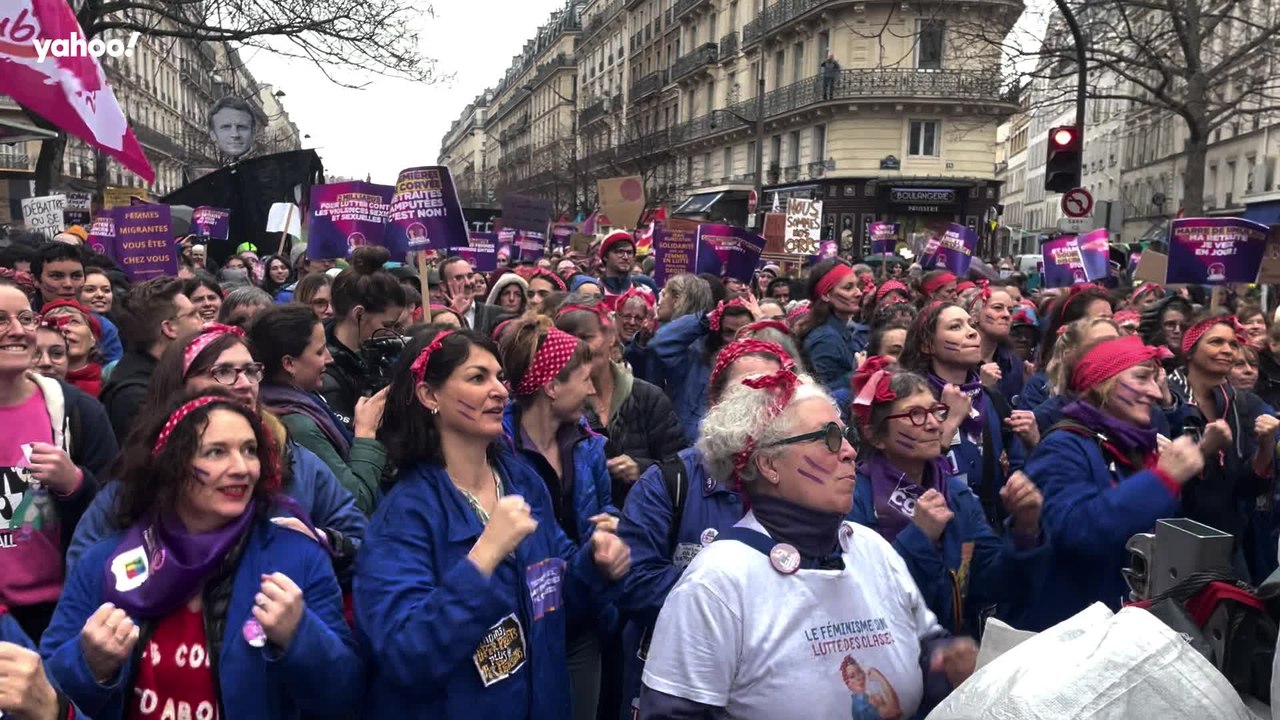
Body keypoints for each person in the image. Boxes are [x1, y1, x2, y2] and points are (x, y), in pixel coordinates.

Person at [638, 370, 975, 718]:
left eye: (845, 437)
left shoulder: (872, 549)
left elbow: (923, 649)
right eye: (829, 438)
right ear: (769, 464)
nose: (848, 452)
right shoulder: (717, 583)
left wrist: (945, 661)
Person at [354, 328, 631, 719]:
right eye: (477, 377)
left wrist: (594, 563)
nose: (500, 390)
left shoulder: (523, 483)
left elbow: (555, 599)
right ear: (430, 395)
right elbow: (406, 656)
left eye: (499, 377)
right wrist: (484, 556)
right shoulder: (404, 516)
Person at [40, 389, 364, 719]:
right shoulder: (104, 564)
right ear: (171, 463)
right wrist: (87, 664)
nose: (241, 468)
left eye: (250, 451)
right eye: (216, 452)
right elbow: (44, 693)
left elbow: (345, 697)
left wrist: (301, 637)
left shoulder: (296, 559)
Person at [66, 325, 366, 584]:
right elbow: (85, 569)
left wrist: (321, 542)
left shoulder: (294, 460)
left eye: (251, 371)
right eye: (223, 372)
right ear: (180, 386)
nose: (244, 384)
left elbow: (363, 543)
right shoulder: (145, 468)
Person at [615, 338, 790, 719]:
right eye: (744, 391)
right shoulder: (669, 482)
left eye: (772, 393)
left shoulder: (804, 486)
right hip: (677, 687)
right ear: (715, 401)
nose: (757, 406)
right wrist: (738, 609)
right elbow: (635, 581)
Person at [848, 363, 1048, 634]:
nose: (933, 424)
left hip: (956, 660)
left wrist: (1025, 529)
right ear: (875, 436)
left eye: (935, 411)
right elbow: (864, 600)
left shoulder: (956, 494)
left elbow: (994, 581)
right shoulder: (855, 500)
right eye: (915, 415)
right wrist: (919, 537)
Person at [1022, 336, 1205, 629]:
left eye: (1154, 379)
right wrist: (1161, 480)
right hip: (1071, 632)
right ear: (1101, 383)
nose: (1156, 393)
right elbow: (1078, 532)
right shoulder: (1062, 447)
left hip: (1123, 627)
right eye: (1141, 378)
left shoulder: (1135, 446)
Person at [498, 317, 620, 720]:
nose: (591, 389)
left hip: (581, 616)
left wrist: (611, 528)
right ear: (552, 387)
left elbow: (606, 505)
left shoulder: (589, 444)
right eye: (584, 380)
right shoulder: (497, 449)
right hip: (525, 618)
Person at [0, 279, 117, 642]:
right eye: (0, 320)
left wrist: (75, 485)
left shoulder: (78, 412)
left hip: (60, 613)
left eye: (25, 318)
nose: (17, 331)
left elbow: (119, 513)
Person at [900, 302, 1034, 527]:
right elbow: (906, 476)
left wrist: (1033, 444)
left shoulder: (992, 399)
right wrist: (950, 422)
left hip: (989, 534)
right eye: (955, 327)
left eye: (971, 324)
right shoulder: (911, 404)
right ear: (926, 345)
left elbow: (1017, 467)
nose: (972, 332)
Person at [251, 304, 389, 516]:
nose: (329, 358)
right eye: (319, 351)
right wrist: (366, 435)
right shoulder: (296, 425)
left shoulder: (306, 399)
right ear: (289, 363)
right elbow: (355, 502)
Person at [1168, 315, 1278, 581]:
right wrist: (1205, 449)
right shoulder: (1168, 397)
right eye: (1216, 342)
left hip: (1228, 541)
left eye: (1232, 344)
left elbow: (1245, 486)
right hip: (1176, 540)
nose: (1227, 350)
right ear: (1191, 350)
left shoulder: (1239, 403)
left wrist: (1265, 446)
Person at [101, 277, 203, 444]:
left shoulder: (167, 374)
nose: (202, 322)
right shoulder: (135, 397)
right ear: (169, 328)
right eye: (192, 314)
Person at [651, 295, 759, 441]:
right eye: (729, 332)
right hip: (683, 449)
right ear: (718, 331)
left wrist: (764, 323)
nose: (736, 340)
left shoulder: (763, 368)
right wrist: (705, 320)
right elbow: (659, 343)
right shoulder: (695, 358)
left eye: (744, 332)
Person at [321, 246, 406, 429]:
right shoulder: (323, 367)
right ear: (358, 314)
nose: (393, 334)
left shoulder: (384, 356)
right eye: (387, 325)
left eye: (397, 326)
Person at [797, 259, 867, 391]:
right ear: (826, 295)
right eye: (848, 287)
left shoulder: (842, 330)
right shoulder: (825, 339)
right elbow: (824, 394)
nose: (858, 293)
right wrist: (859, 374)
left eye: (857, 286)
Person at [37, 300, 102, 397]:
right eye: (53, 323)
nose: (64, 328)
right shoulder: (29, 388)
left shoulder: (110, 385)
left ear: (93, 338)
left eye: (74, 322)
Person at [440, 256, 501, 335]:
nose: (468, 283)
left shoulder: (495, 314)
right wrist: (456, 315)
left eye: (470, 276)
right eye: (459, 278)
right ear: (443, 286)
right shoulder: (435, 318)